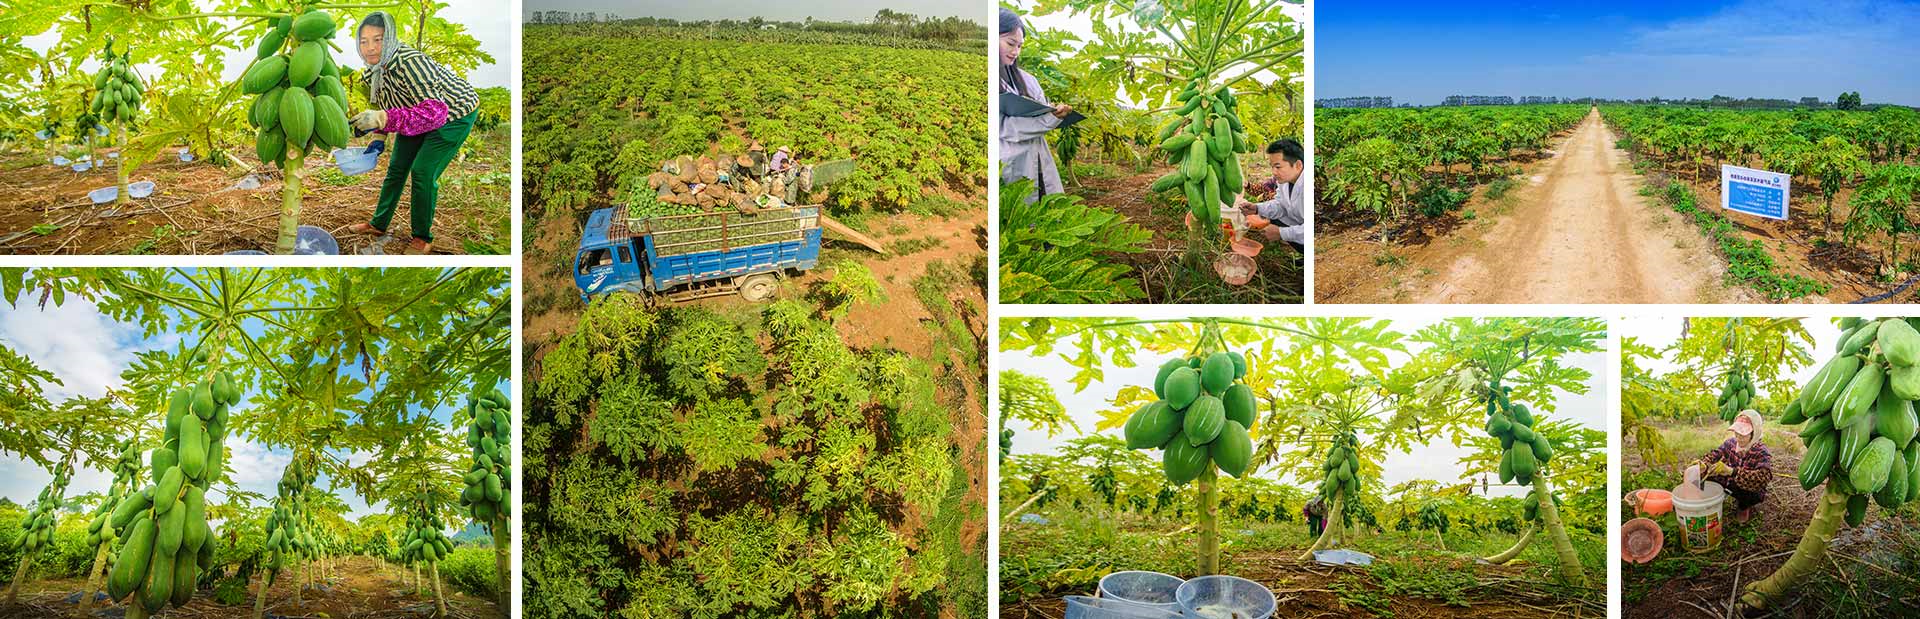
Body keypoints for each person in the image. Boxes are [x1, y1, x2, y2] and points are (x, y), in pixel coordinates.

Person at [344, 11, 480, 255]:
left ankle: (421, 237)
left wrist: (384, 119)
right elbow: (383, 107)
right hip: (412, 116)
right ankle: (378, 223)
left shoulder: (411, 63)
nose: (370, 48)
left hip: (452, 116)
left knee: (422, 172)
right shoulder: (372, 73)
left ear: (390, 39)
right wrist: (378, 136)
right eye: (364, 42)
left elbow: (435, 113)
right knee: (396, 168)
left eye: (378, 40)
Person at [997, 7, 1070, 202]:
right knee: (1019, 215)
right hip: (1011, 160)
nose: (1015, 51)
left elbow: (1044, 111)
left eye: (1020, 46)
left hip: (1038, 155)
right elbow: (1003, 128)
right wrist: (1049, 119)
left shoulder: (1029, 80)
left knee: (1046, 209)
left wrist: (1055, 113)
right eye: (1011, 43)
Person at [1699, 410, 1772, 523]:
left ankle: (1744, 506)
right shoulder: (1731, 443)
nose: (1738, 437)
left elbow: (1763, 478)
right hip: (1730, 481)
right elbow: (1716, 454)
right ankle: (1707, 500)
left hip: (1748, 489)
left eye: (1743, 434)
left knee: (1750, 494)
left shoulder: (1761, 451)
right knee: (1706, 474)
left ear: (1755, 433)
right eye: (1737, 433)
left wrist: (1732, 471)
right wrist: (1703, 464)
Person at [1236, 138, 1306, 250]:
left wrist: (1281, 233)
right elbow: (1280, 205)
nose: (1274, 172)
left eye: (1278, 167)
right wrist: (1256, 208)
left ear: (1298, 165)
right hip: (1298, 222)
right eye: (1272, 167)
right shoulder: (1284, 181)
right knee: (1272, 218)